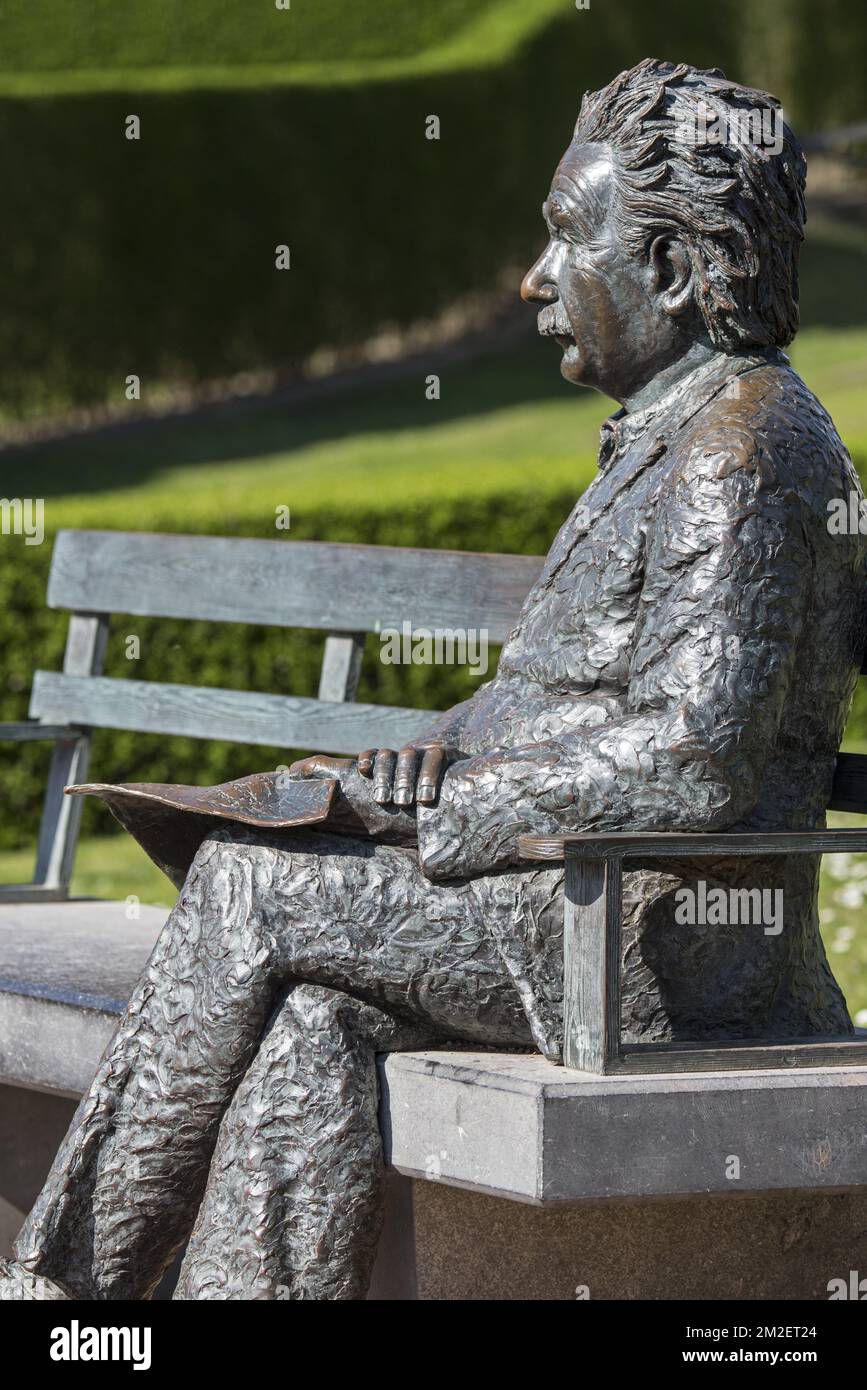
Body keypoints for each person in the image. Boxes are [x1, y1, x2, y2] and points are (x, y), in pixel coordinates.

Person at [3, 57, 863, 1301]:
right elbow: (554, 692)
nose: (534, 279)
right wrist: (439, 750)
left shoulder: (743, 450)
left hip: (660, 951)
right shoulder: (679, 433)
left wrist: (456, 808)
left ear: (673, 274)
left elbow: (694, 753)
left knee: (250, 889)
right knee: (315, 1022)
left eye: (571, 239)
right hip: (572, 907)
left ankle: (60, 1296)